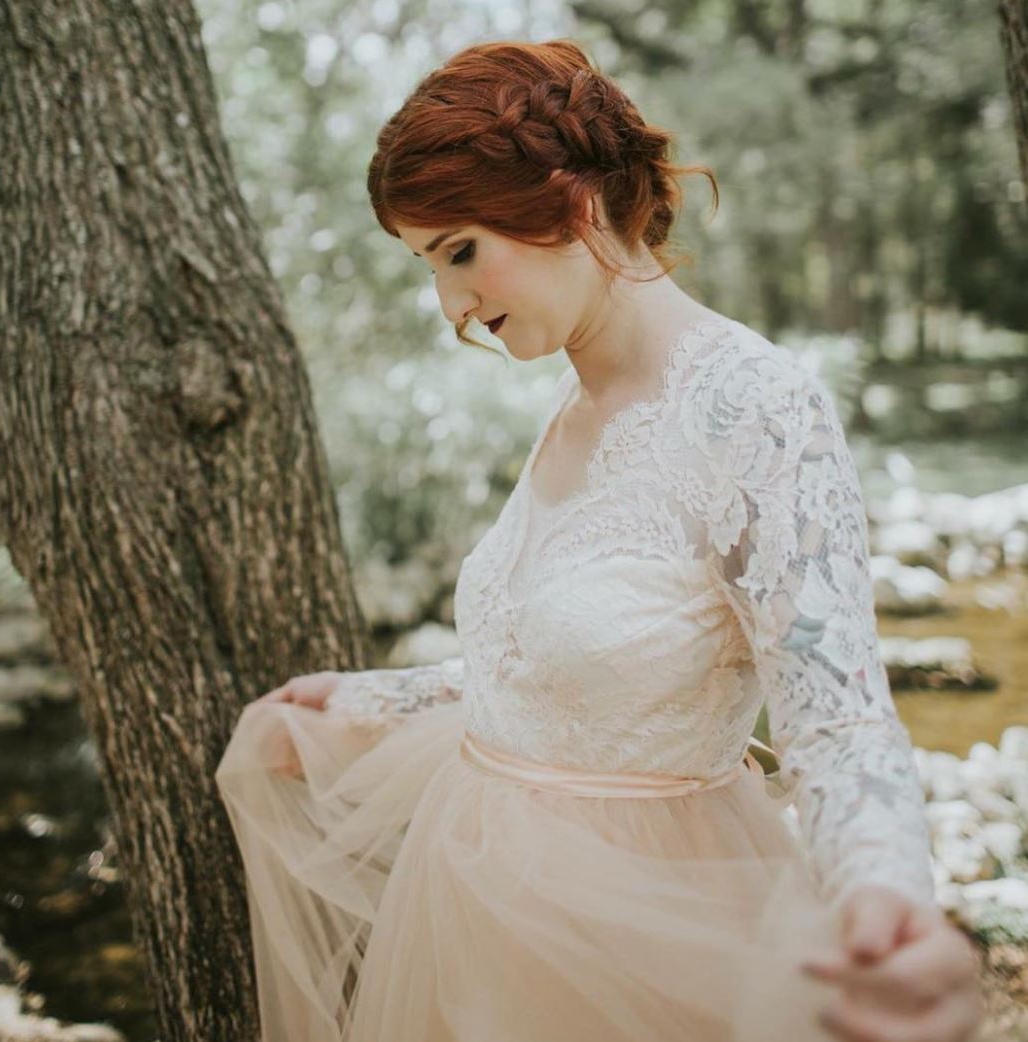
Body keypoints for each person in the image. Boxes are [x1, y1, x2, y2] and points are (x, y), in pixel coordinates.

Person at [215, 38, 983, 1042]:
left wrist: (886, 901)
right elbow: (557, 668)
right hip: (480, 924)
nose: (451, 307)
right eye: (428, 266)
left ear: (570, 203)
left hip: (641, 951)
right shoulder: (572, 405)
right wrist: (372, 696)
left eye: (458, 251)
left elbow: (833, 719)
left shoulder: (752, 407)